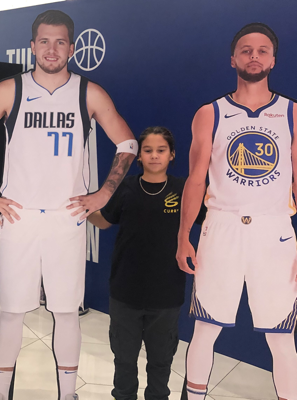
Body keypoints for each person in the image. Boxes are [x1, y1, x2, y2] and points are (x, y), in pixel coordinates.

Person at [0, 9, 136, 400]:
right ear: (32, 46)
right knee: (11, 310)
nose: (51, 49)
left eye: (60, 42)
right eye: (44, 41)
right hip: (19, 217)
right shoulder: (10, 90)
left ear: (71, 48)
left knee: (67, 311)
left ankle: (67, 394)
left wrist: (104, 193)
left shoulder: (89, 92)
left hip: (65, 218)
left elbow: (128, 143)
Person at [176, 23, 297, 400]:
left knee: (282, 337)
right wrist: (183, 236)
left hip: (274, 232)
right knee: (205, 329)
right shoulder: (210, 113)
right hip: (221, 228)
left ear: (273, 60)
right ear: (233, 60)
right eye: (246, 50)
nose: (254, 56)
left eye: (262, 51)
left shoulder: (292, 113)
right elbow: (196, 180)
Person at [89, 127, 203, 400]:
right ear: (139, 156)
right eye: (148, 151)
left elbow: (212, 218)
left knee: (161, 361)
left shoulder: (184, 190)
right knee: (124, 360)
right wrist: (81, 208)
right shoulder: (127, 187)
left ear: (172, 154)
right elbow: (103, 221)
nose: (154, 156)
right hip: (125, 292)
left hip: (166, 294)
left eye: (161, 150)